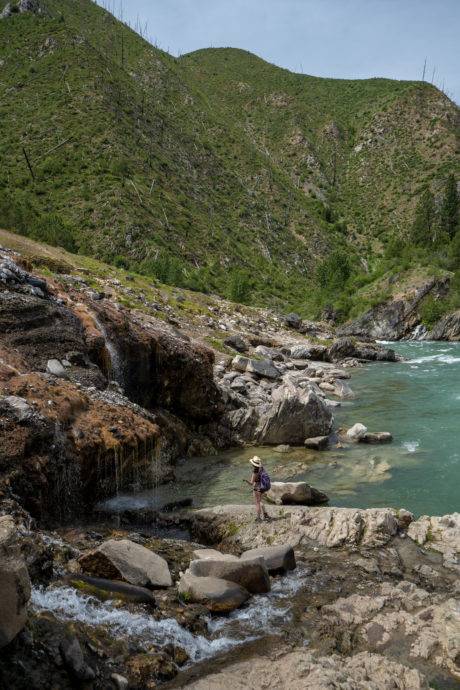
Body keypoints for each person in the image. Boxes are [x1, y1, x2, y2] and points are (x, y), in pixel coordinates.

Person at [244, 456, 271, 521]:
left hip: (256, 488)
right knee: (260, 501)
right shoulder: (261, 468)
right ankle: (265, 514)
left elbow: (251, 483)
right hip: (262, 487)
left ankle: (258, 518)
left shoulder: (255, 472)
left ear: (253, 464)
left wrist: (245, 480)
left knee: (257, 503)